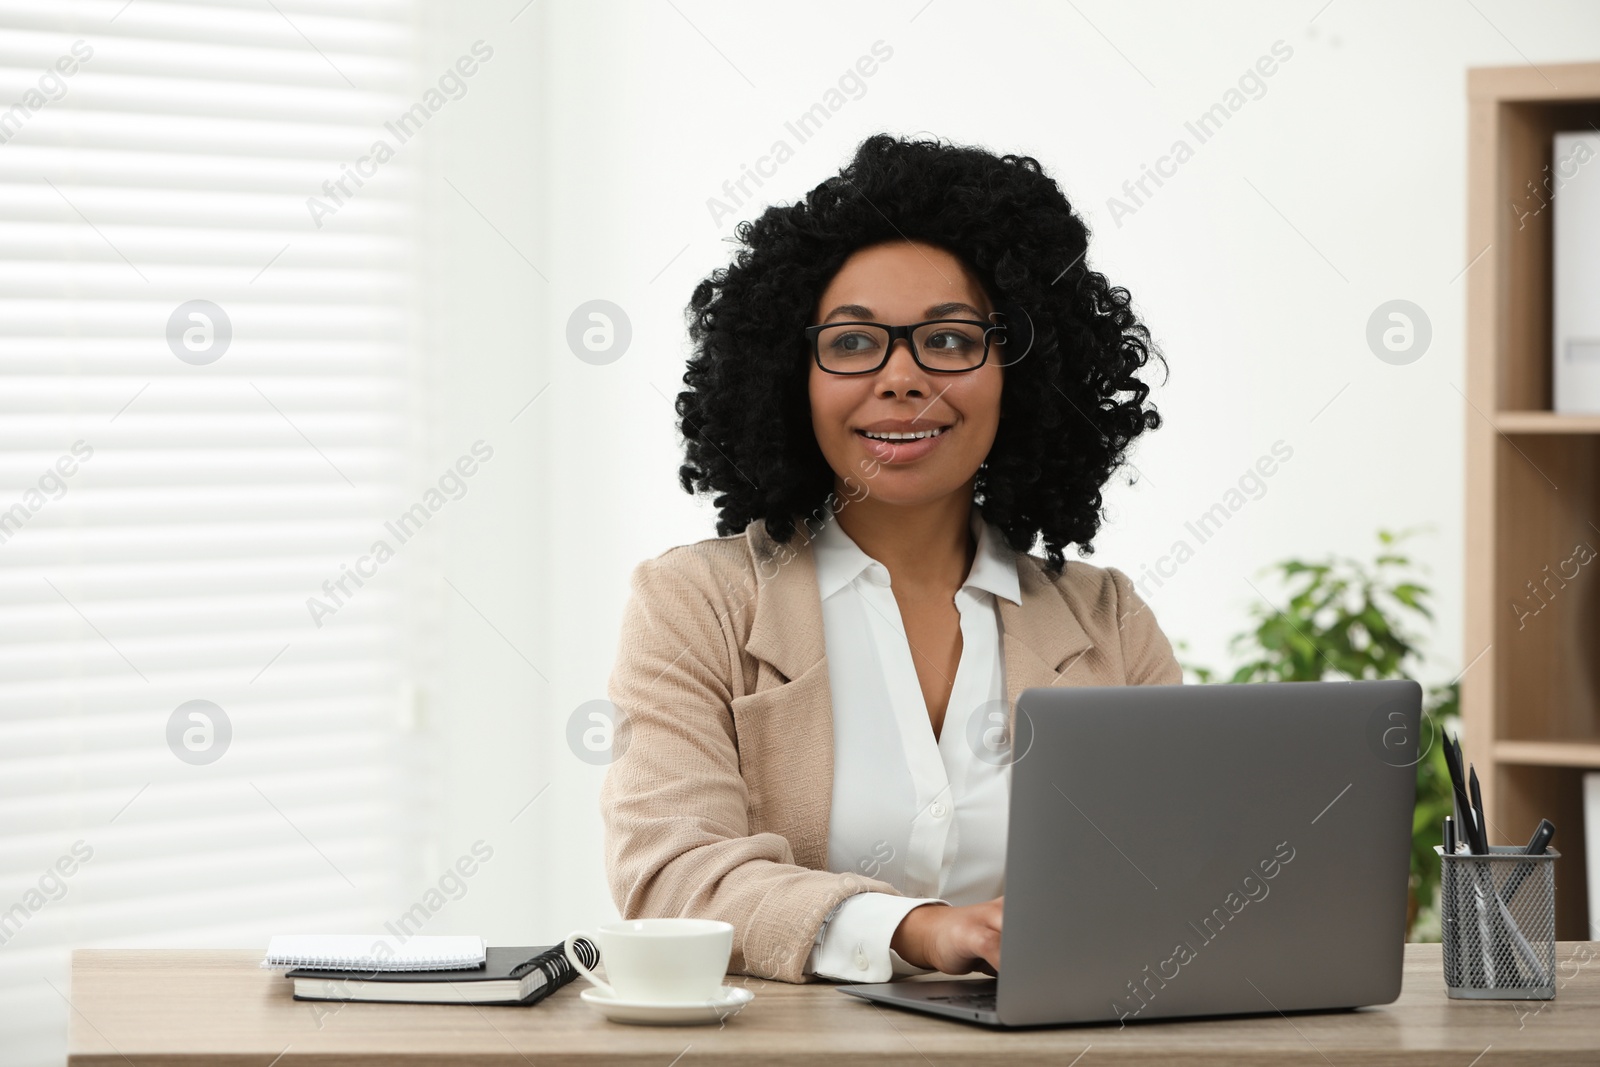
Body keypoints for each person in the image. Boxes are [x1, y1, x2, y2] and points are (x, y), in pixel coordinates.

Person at [600, 133, 1181, 986]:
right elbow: (670, 877)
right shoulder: (696, 604)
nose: (903, 377)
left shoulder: (1108, 621)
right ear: (791, 375)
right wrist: (914, 928)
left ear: (1021, 372)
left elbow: (1174, 873)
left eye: (948, 341)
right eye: (852, 342)